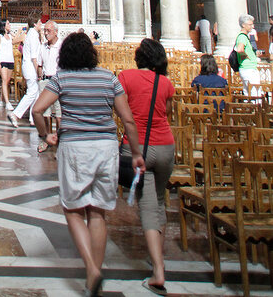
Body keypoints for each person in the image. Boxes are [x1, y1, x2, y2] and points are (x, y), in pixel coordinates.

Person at [32, 32, 145, 297]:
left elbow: (37, 110)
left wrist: (45, 135)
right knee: (98, 212)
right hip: (106, 148)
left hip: (75, 148)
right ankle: (94, 268)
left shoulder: (62, 78)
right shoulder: (109, 78)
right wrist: (136, 153)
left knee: (73, 209)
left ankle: (92, 269)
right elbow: (128, 121)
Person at [117, 39, 176, 296]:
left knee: (148, 205)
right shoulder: (166, 83)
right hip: (166, 146)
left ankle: (158, 271)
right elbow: (167, 113)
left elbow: (119, 110)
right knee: (160, 202)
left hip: (139, 146)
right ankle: (157, 259)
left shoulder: (126, 77)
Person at [9, 14, 42, 129]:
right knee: (32, 92)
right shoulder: (33, 36)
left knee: (36, 93)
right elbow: (34, 57)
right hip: (31, 67)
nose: (41, 25)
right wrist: (38, 71)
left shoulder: (31, 34)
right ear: (34, 24)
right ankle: (15, 114)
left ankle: (33, 119)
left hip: (28, 66)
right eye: (39, 22)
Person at [37, 19, 62, 151]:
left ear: (56, 32)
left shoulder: (62, 46)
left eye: (48, 31)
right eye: (44, 31)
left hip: (58, 81)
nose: (46, 33)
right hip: (45, 81)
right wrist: (40, 78)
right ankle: (46, 139)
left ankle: (59, 139)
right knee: (45, 114)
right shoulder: (43, 46)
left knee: (59, 115)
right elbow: (39, 64)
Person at [0, 20, 19, 113]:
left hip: (10, 60)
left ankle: (1, 99)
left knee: (7, 81)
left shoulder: (9, 36)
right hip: (3, 60)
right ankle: (8, 102)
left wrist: (17, 32)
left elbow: (16, 40)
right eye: (8, 24)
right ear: (4, 25)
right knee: (4, 80)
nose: (10, 25)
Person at [235, 14, 260, 96]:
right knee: (254, 93)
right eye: (250, 24)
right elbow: (240, 49)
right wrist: (247, 57)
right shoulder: (242, 37)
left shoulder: (244, 36)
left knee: (249, 93)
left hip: (248, 67)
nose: (252, 27)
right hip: (248, 68)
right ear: (243, 25)